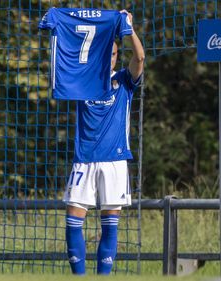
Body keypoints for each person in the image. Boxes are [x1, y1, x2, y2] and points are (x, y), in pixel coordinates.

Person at [63, 10, 145, 275]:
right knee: (72, 221)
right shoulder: (81, 81)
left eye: (113, 54)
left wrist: (128, 28)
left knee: (110, 226)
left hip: (114, 162)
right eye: (105, 53)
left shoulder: (124, 81)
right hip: (84, 159)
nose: (109, 58)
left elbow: (140, 57)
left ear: (116, 56)